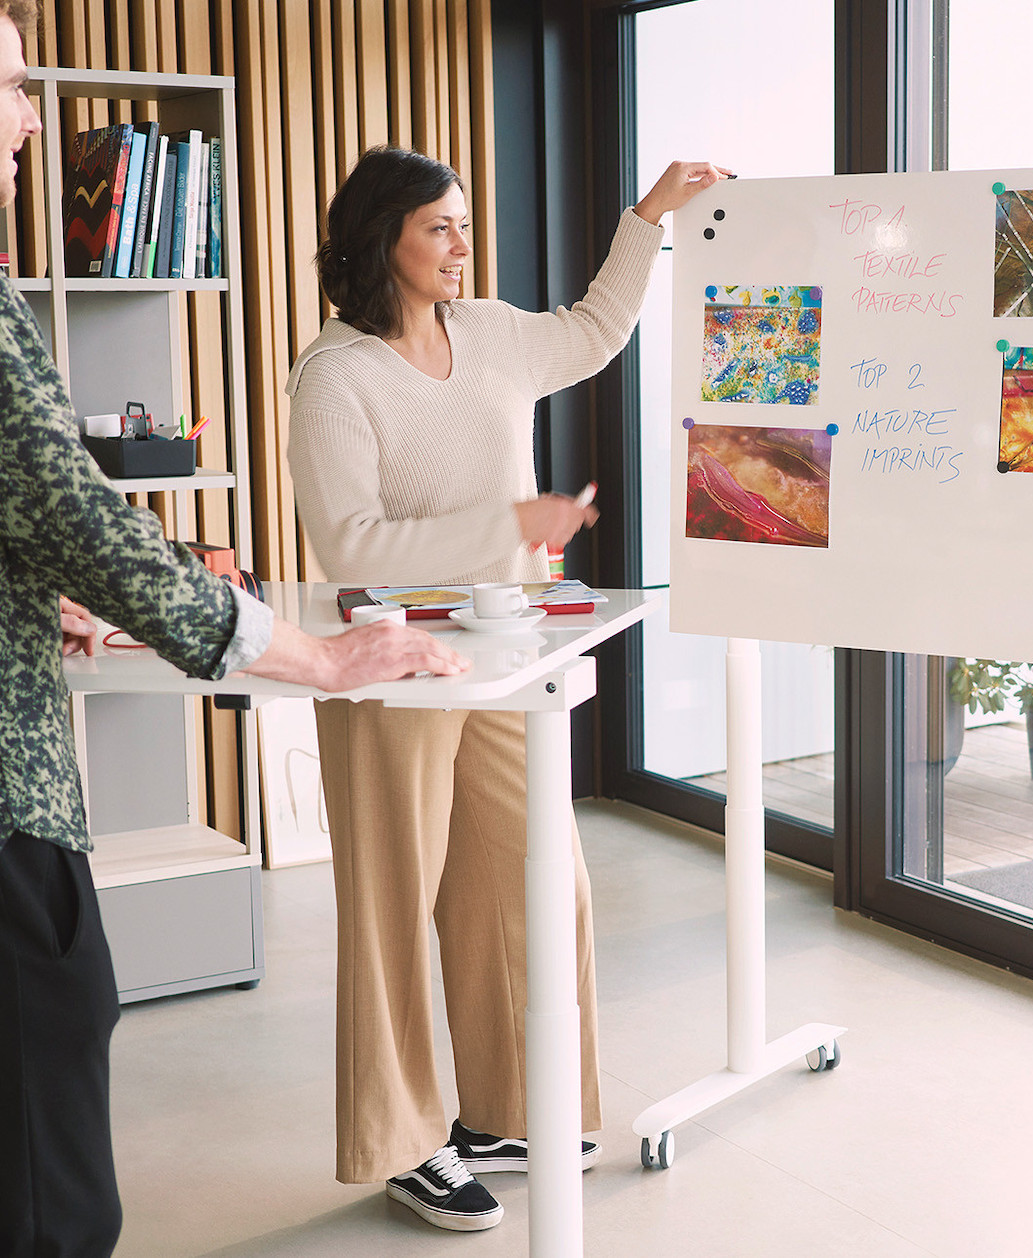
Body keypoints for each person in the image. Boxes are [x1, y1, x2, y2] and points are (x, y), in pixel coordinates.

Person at [0, 3, 466, 1255]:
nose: (33, 117)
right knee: (54, 1210)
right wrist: (317, 656)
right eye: (12, 87)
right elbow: (88, 531)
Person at [285, 148, 724, 1231]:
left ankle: (515, 1104)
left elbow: (593, 329)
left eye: (464, 224)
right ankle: (405, 1141)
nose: (462, 245)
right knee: (394, 904)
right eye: (440, 227)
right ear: (382, 235)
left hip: (500, 651)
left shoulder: (485, 332)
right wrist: (508, 529)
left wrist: (649, 217)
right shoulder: (334, 375)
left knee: (537, 878)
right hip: (386, 665)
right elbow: (347, 541)